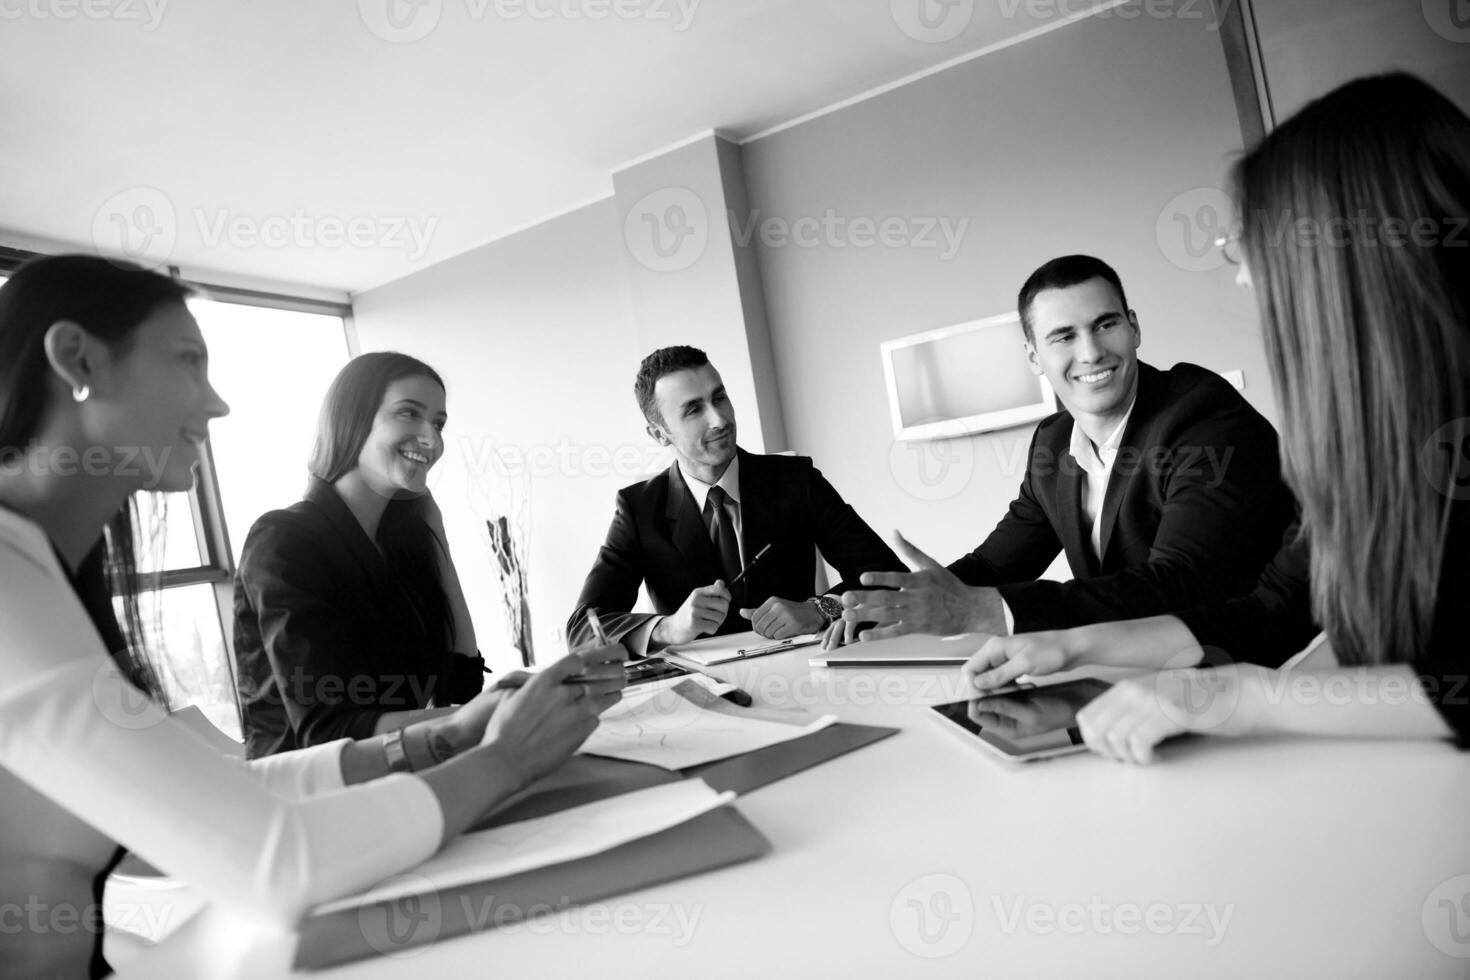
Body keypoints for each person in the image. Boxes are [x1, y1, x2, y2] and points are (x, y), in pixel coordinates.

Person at [0, 255, 624, 978]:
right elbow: (278, 863)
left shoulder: (45, 571)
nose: (216, 403)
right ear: (77, 359)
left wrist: (441, 738)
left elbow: (224, 798)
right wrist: (503, 761)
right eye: (187, 361)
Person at [963, 72, 1470, 761]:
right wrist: (1072, 644)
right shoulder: (1372, 432)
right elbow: (1275, 609)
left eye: (1251, 246)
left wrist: (1235, 697)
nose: (1242, 276)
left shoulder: (1204, 417)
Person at [833, 255, 1295, 648]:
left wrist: (989, 611)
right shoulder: (1053, 443)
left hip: (1250, 669)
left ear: (1133, 328)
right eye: (1063, 336)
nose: (1091, 352)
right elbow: (996, 565)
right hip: (1130, 673)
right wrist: (891, 607)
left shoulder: (1203, 418)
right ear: (1034, 356)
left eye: (1105, 324)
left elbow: (1182, 583)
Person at [569, 345, 904, 653]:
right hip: (705, 697)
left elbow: (891, 577)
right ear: (659, 433)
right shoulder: (638, 508)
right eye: (693, 410)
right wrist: (668, 629)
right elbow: (583, 629)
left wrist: (820, 608)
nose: (719, 419)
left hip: (806, 673)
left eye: (719, 398)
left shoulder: (796, 479)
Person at [235, 353, 487, 758]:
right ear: (353, 418)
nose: (432, 439)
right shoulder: (284, 538)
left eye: (438, 423)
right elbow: (328, 729)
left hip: (393, 772)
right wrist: (483, 717)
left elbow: (460, 683)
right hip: (308, 788)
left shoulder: (403, 543)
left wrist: (436, 535)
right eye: (409, 413)